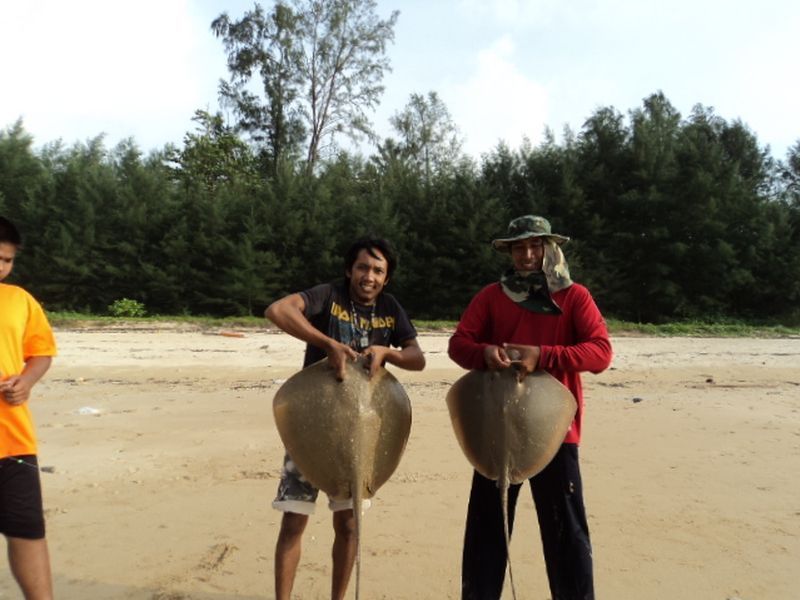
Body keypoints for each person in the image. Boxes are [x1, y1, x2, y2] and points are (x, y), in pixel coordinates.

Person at [448, 215, 612, 600]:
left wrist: (544, 356)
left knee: (566, 533)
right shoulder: (492, 296)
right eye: (518, 247)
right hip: (497, 427)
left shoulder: (574, 297)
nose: (526, 254)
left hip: (556, 430)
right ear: (509, 251)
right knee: (487, 531)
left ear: (548, 248)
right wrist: (485, 353)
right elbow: (459, 345)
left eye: (534, 246)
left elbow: (601, 353)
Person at [265, 236, 425, 600]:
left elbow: (417, 357)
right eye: (363, 267)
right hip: (310, 424)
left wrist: (389, 352)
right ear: (349, 269)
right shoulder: (329, 295)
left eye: (378, 270)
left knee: (350, 524)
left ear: (387, 278)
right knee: (294, 519)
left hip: (361, 429)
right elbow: (278, 310)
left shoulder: (390, 307)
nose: (369, 276)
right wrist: (327, 344)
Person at [0, 216, 57, 600]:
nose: (0, 267)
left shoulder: (19, 300)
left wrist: (26, 381)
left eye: (6, 260)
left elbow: (41, 352)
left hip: (13, 440)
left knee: (27, 529)